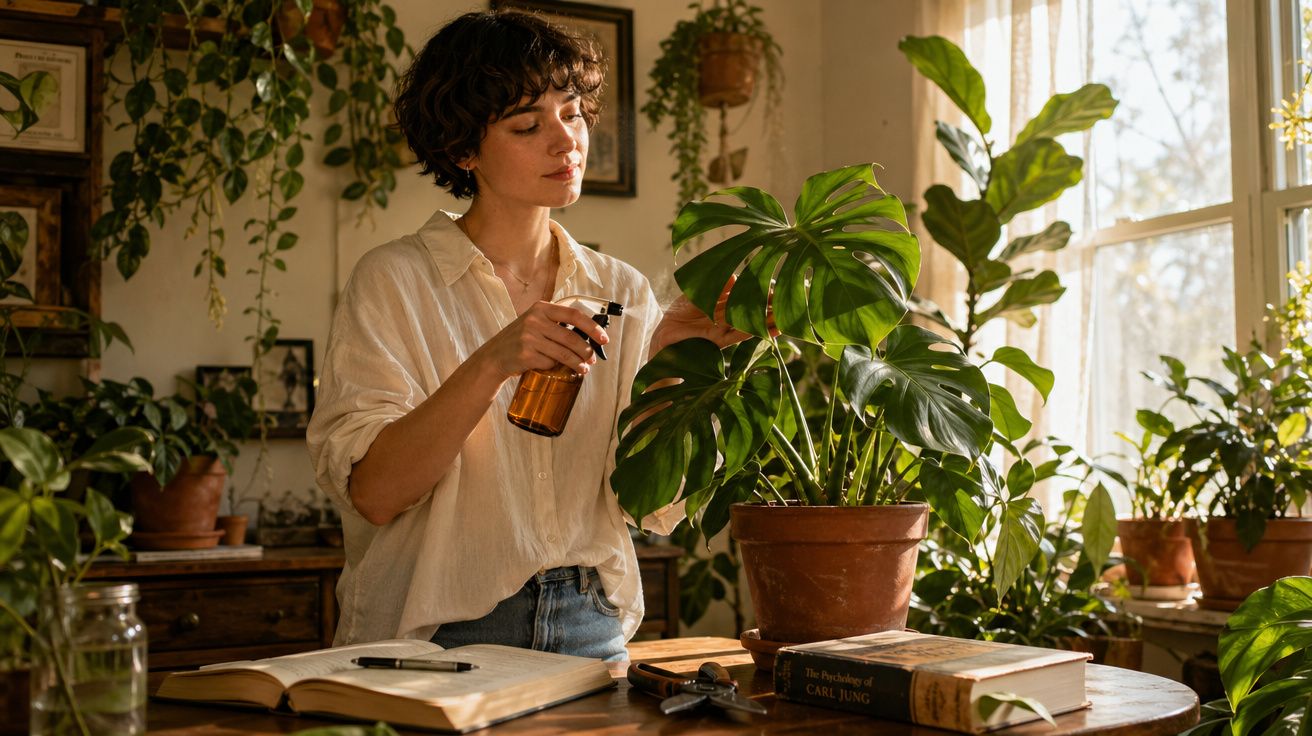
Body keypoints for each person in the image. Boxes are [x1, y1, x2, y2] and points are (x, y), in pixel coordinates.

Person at [306, 10, 746, 661]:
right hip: (439, 634)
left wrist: (681, 360)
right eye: (528, 125)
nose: (566, 141)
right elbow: (375, 494)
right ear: (463, 149)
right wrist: (491, 362)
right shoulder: (393, 281)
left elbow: (652, 502)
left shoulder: (620, 290)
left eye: (572, 112)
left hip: (592, 624)